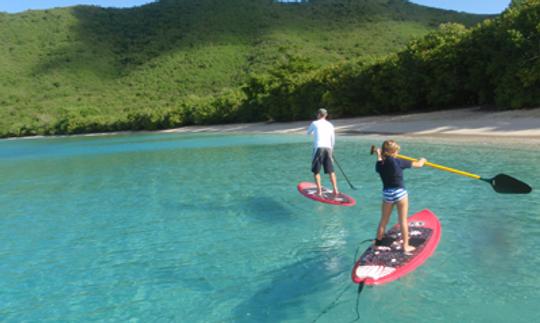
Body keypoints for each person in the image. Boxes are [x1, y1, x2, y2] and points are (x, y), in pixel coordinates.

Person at [373, 140, 425, 253]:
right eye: (397, 151)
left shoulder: (379, 164)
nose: (397, 153)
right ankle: (405, 246)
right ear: (393, 152)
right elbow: (419, 165)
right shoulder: (398, 162)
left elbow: (379, 162)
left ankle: (377, 243)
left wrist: (378, 154)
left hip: (387, 194)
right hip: (400, 193)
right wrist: (422, 160)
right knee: (403, 220)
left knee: (383, 220)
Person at [307, 108, 339, 196]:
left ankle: (319, 191)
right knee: (331, 171)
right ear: (326, 115)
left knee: (316, 171)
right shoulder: (330, 125)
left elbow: (308, 133)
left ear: (318, 115)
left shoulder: (314, 123)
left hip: (318, 148)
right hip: (328, 148)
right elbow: (333, 140)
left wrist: (315, 133)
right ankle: (335, 189)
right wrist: (332, 152)